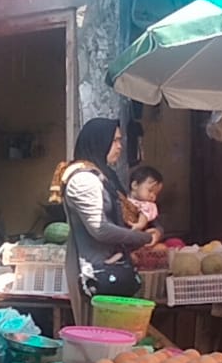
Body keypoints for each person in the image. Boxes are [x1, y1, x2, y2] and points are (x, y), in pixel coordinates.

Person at [58, 118, 160, 326]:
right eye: (115, 141)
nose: (120, 146)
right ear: (99, 141)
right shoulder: (83, 180)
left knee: (115, 340)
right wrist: (142, 237)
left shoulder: (104, 176)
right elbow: (100, 229)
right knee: (96, 337)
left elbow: (126, 214)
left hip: (109, 269)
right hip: (93, 273)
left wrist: (154, 231)